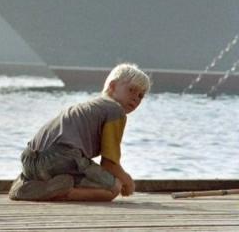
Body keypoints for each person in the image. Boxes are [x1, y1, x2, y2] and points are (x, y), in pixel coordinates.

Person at [9, 63, 151, 202]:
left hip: (28, 160)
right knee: (113, 188)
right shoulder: (115, 111)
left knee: (97, 175)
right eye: (131, 90)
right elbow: (109, 164)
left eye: (140, 96)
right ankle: (58, 191)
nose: (135, 98)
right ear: (112, 87)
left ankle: (28, 184)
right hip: (61, 157)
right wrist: (128, 182)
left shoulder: (90, 106)